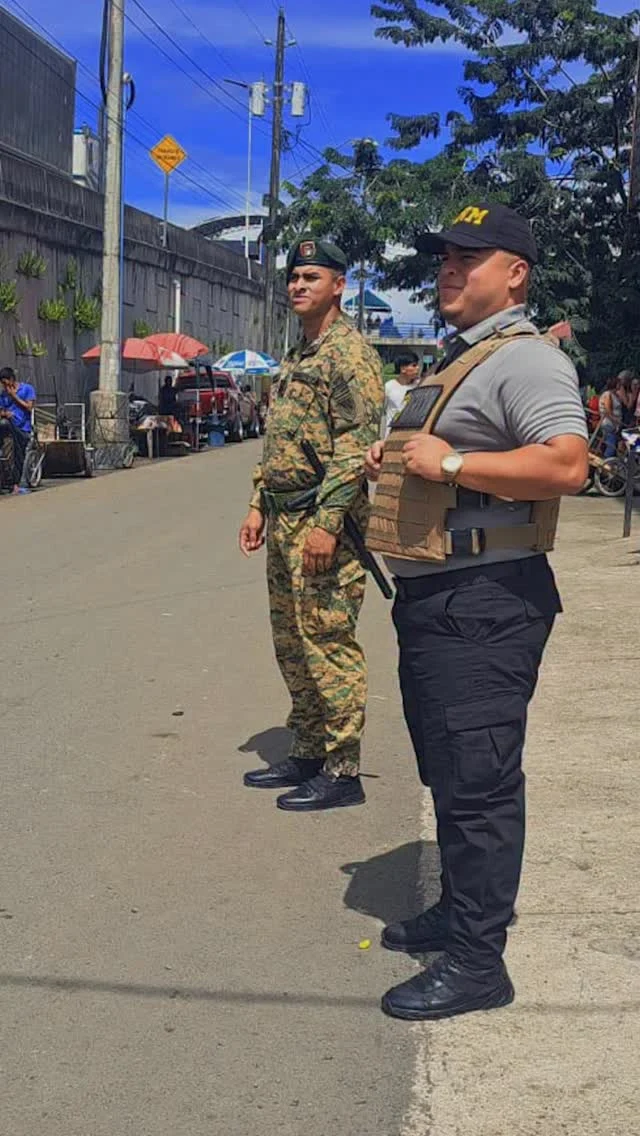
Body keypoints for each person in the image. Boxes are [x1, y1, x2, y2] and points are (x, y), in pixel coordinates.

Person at [365, 202, 588, 1021]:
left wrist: (453, 462)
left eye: (470, 256)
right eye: (444, 257)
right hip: (439, 598)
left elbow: (566, 465)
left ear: (516, 273)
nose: (449, 269)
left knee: (480, 784)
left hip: (486, 603)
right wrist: (394, 462)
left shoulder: (526, 359)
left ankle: (477, 963)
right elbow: (435, 457)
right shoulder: (463, 359)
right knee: (452, 773)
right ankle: (459, 913)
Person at [239, 235, 384, 812]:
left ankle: (343, 768)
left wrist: (327, 523)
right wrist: (257, 503)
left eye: (312, 278)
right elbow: (280, 441)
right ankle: (307, 748)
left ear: (338, 286)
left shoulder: (350, 355)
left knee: (327, 638)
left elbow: (354, 448)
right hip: (283, 517)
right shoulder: (298, 354)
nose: (298, 286)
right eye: (294, 278)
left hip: (325, 524)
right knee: (292, 642)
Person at [0, 366, 36, 493]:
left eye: (6, 383)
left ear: (11, 379)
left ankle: (17, 483)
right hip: (8, 426)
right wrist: (5, 413)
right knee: (4, 423)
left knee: (19, 451)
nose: (5, 386)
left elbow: (29, 407)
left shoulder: (27, 389)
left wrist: (14, 396)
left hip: (22, 429)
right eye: (3, 384)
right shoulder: (3, 395)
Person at [383, 351, 422, 435]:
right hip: (392, 434)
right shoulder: (389, 386)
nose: (418, 368)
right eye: (414, 365)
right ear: (403, 369)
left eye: (417, 365)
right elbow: (383, 410)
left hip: (413, 434)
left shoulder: (420, 386)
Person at [598, 376, 622, 457]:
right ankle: (606, 461)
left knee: (610, 443)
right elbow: (608, 411)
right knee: (611, 446)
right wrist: (615, 422)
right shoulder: (608, 394)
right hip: (609, 423)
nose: (620, 385)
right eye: (619, 384)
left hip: (613, 424)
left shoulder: (614, 395)